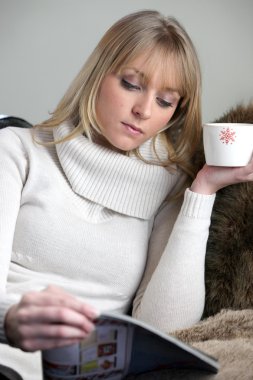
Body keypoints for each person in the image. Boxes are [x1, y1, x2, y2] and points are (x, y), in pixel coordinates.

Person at [0, 9, 252, 380]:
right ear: (98, 74)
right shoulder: (17, 151)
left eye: (166, 101)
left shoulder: (171, 184)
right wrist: (10, 320)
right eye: (131, 84)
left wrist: (202, 190)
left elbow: (167, 326)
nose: (144, 110)